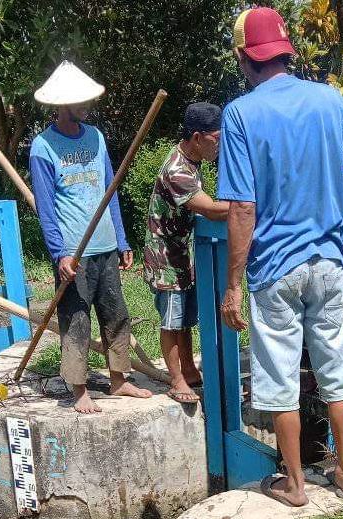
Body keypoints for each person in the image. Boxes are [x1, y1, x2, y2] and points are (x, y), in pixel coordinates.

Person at [218, 7, 343, 507]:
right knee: (336, 371)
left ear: (244, 58)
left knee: (279, 382)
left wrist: (233, 285)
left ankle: (296, 485)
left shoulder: (240, 114)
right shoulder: (330, 101)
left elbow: (241, 208)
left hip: (274, 270)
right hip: (327, 262)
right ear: (287, 51)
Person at [30, 60, 152, 414]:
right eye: (80, 100)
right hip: (74, 251)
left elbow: (109, 191)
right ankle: (79, 387)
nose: (87, 106)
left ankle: (118, 379)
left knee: (116, 313)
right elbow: (47, 207)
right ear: (62, 105)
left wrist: (123, 240)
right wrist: (60, 254)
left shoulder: (96, 137)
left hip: (105, 245)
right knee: (77, 319)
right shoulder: (43, 147)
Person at [143, 102, 229, 404]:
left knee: (185, 317)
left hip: (183, 254)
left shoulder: (192, 161)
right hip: (165, 257)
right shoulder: (176, 170)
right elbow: (211, 210)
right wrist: (247, 209)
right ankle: (177, 380)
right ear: (197, 137)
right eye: (216, 138)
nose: (220, 143)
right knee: (171, 319)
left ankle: (190, 370)